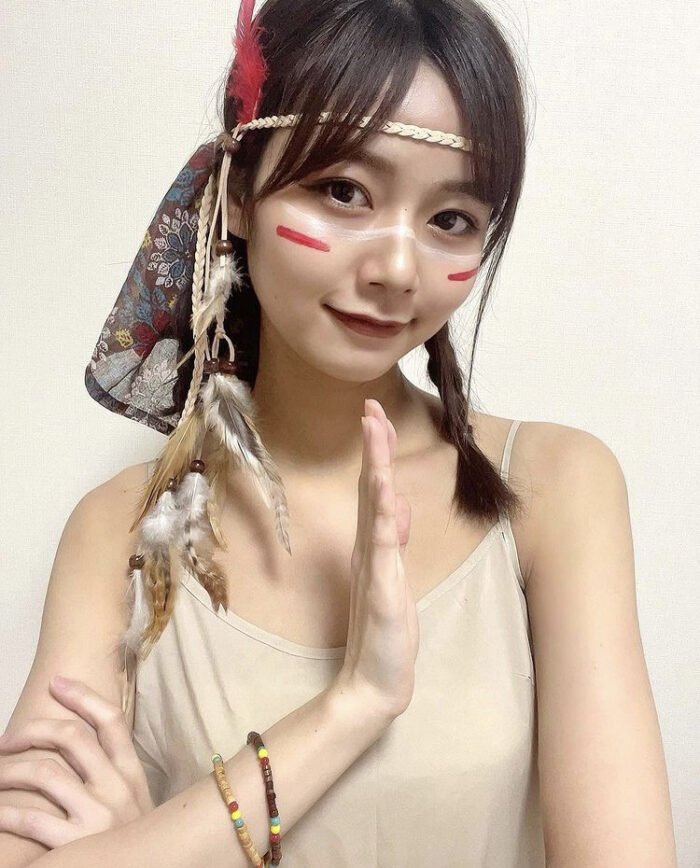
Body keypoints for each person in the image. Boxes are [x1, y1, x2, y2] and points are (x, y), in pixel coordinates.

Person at [0, 0, 677, 865]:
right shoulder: (119, 534)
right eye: (344, 191)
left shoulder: (553, 488)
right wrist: (353, 705)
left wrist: (148, 844)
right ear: (239, 194)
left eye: (451, 220)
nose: (397, 269)